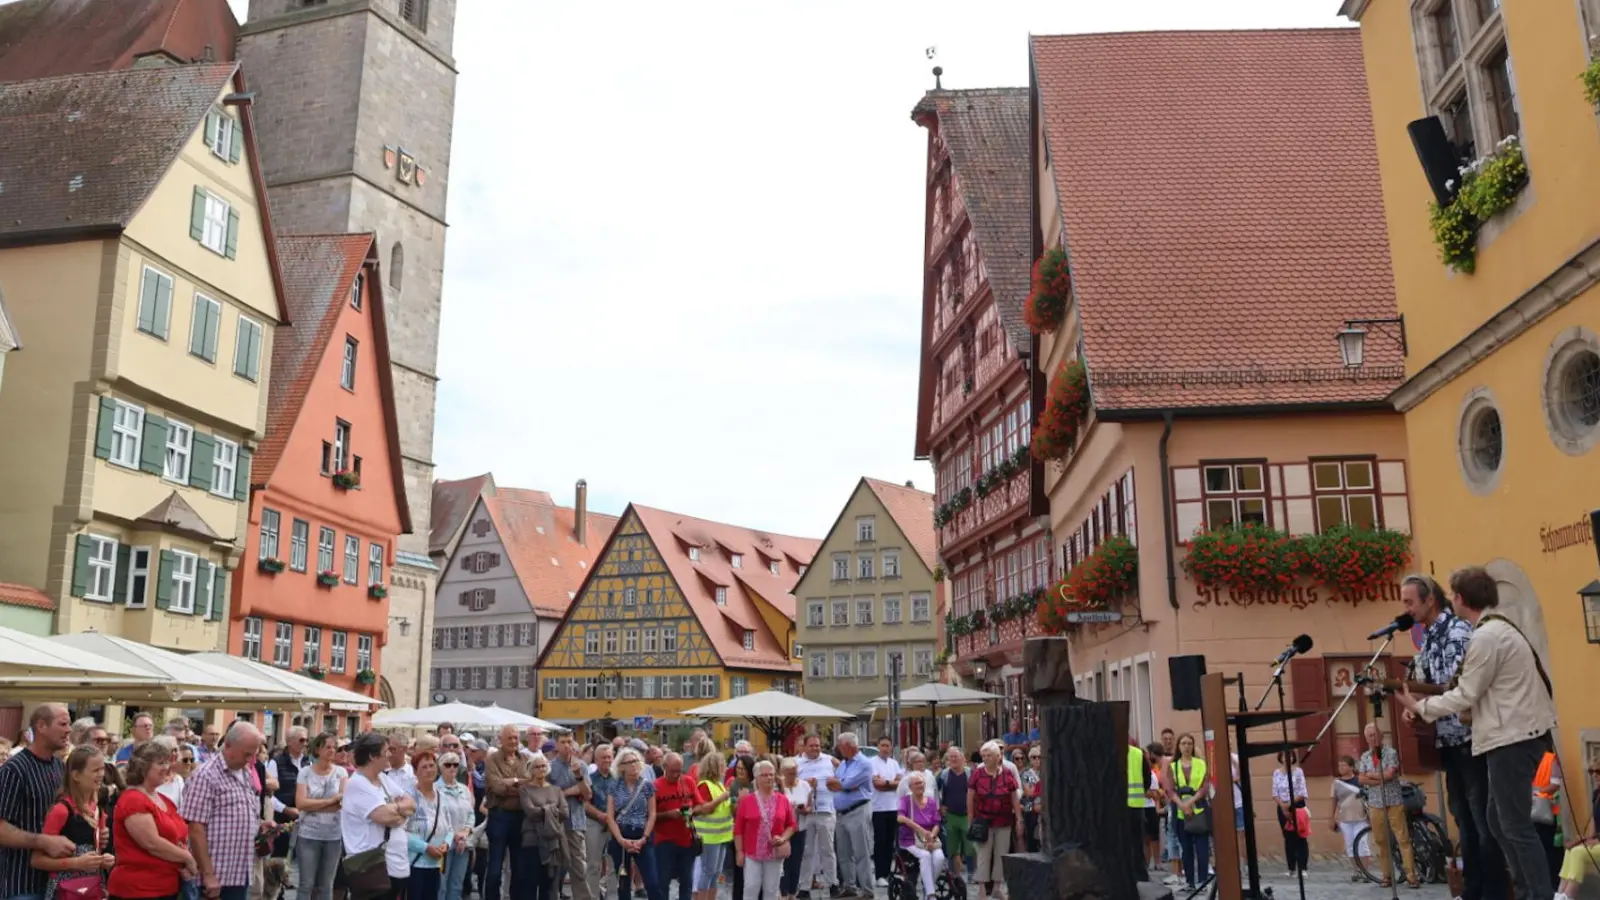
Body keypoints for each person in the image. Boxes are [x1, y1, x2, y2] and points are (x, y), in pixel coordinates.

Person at [1398, 566, 1559, 900]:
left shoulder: (1487, 636)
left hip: (1513, 738)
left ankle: (1537, 894)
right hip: (1509, 735)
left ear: (1459, 598)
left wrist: (1421, 707)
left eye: (1452, 595)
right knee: (1497, 820)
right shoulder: (1492, 629)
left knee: (1514, 824)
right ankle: (1526, 890)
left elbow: (1466, 692)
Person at [1400, 572, 1507, 900]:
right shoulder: (1429, 636)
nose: (1406, 609)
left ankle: (1493, 891)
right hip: (1446, 740)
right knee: (1463, 819)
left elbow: (1458, 686)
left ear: (1430, 600)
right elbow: (1427, 680)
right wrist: (1413, 706)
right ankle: (1472, 890)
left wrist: (1423, 704)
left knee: (1482, 821)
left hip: (1469, 738)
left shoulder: (1457, 632)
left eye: (1409, 602)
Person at [182, 722, 265, 900]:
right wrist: (208, 874)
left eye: (253, 754)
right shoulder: (206, 775)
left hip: (239, 872)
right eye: (247, 754)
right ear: (228, 746)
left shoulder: (244, 772)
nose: (250, 759)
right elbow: (195, 829)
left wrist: (262, 825)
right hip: (216, 876)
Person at [0, 704, 74, 900]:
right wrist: (43, 841)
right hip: (21, 884)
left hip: (55, 882)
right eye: (63, 724)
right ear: (41, 726)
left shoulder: (59, 766)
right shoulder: (14, 770)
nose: (69, 730)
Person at [113, 741, 196, 900]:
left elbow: (177, 836)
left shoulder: (163, 799)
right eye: (161, 763)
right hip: (139, 889)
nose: (167, 767)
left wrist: (182, 858)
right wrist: (186, 858)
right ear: (143, 767)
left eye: (167, 762)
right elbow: (152, 843)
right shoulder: (133, 800)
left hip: (166, 886)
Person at [33, 746, 114, 900]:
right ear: (76, 775)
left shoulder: (97, 808)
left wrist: (103, 860)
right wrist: (76, 863)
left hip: (93, 886)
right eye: (95, 770)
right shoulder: (61, 810)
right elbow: (37, 860)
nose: (101, 774)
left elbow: (96, 850)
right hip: (65, 890)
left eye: (102, 769)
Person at [341, 733, 414, 900]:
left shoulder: (382, 778)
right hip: (372, 868)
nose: (389, 754)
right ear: (372, 757)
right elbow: (385, 817)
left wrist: (395, 809)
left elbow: (411, 803)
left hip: (393, 866)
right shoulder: (358, 784)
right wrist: (399, 812)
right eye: (386, 751)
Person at [1358, 723, 1417, 888]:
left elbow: (1390, 774)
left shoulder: (1391, 753)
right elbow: (1361, 779)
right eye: (1369, 736)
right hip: (1375, 802)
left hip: (1393, 801)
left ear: (1381, 736)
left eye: (1375, 734)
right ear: (1366, 739)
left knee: (1402, 839)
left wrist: (1370, 775)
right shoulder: (1365, 757)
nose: (1373, 738)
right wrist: (1378, 778)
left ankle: (1411, 876)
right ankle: (1387, 875)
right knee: (1381, 841)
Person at [733, 760, 795, 900]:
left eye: (771, 774)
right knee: (751, 887)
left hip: (774, 852)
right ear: (756, 778)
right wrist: (739, 851)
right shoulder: (747, 801)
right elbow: (738, 829)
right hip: (752, 853)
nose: (769, 778)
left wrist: (783, 838)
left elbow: (791, 825)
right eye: (765, 775)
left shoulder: (783, 800)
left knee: (771, 890)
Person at [295, 733, 347, 900]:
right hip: (309, 834)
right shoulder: (305, 772)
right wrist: (331, 801)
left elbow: (342, 803)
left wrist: (313, 804)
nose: (332, 750)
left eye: (334, 747)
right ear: (318, 749)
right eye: (328, 747)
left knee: (326, 885)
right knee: (306, 884)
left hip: (333, 835)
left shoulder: (341, 772)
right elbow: (301, 803)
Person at [968, 741, 1020, 900]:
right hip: (983, 821)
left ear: (998, 757)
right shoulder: (978, 773)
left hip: (1004, 820)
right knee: (983, 855)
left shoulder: (1007, 773)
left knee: (1001, 854)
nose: (985, 758)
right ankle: (982, 890)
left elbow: (1014, 797)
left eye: (989, 755)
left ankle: (997, 887)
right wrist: (971, 819)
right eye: (983, 755)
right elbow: (970, 797)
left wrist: (1019, 819)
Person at [604, 748, 659, 900]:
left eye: (635, 761)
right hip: (621, 834)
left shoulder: (647, 786)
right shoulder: (614, 786)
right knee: (623, 883)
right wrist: (621, 840)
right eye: (628, 762)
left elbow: (652, 814)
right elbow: (610, 817)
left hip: (642, 835)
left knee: (653, 882)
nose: (633, 765)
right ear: (621, 766)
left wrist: (644, 838)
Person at [484, 725, 529, 900]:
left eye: (515, 737)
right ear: (500, 739)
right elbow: (496, 787)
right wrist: (519, 782)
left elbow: (531, 785)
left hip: (521, 817)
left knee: (520, 869)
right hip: (499, 816)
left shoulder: (525, 759)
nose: (513, 741)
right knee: (495, 868)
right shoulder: (492, 759)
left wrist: (510, 783)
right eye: (509, 737)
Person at [826, 733, 873, 899]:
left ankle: (867, 889)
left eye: (840, 745)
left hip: (857, 810)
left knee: (861, 852)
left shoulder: (864, 763)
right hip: (841, 813)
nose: (838, 749)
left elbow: (847, 784)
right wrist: (842, 785)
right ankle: (849, 886)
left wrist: (842, 784)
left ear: (848, 745)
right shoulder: (843, 764)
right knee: (844, 853)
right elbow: (831, 783)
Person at [793, 734, 835, 900]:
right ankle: (804, 886)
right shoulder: (797, 763)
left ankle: (832, 883)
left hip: (826, 809)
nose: (815, 748)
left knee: (828, 850)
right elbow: (792, 784)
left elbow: (839, 779)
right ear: (804, 747)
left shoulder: (829, 760)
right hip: (806, 812)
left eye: (817, 745)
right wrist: (806, 785)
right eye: (811, 746)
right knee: (806, 851)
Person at [1168, 733, 1211, 891]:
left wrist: (1191, 802)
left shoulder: (1201, 764)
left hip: (1199, 810)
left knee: (1202, 849)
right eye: (1183, 743)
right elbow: (1170, 790)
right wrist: (1182, 805)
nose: (1186, 746)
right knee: (1186, 850)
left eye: (1189, 743)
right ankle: (1190, 882)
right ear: (1179, 746)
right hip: (1181, 813)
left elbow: (1205, 787)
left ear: (1193, 746)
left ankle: (1203, 881)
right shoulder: (1173, 766)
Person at [652, 753, 695, 900]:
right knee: (663, 882)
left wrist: (692, 811)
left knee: (687, 881)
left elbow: (700, 805)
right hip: (663, 840)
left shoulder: (688, 782)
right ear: (664, 767)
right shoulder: (655, 786)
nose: (677, 775)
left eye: (679, 771)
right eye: (673, 771)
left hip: (686, 839)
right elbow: (649, 816)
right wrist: (668, 815)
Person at [1555, 761, 1600, 899]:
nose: (1595, 775)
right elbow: (1594, 819)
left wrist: (1597, 840)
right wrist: (1587, 838)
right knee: (1571, 850)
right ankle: (1560, 893)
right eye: (1592, 772)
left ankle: (1569, 894)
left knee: (1578, 853)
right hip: (1597, 841)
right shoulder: (1597, 794)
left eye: (1599, 772)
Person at [897, 771, 945, 900]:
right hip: (911, 839)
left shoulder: (931, 802)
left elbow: (937, 822)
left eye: (921, 783)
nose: (920, 785)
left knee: (939, 857)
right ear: (910, 787)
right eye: (916, 783)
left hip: (929, 839)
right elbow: (900, 818)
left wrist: (932, 836)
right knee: (925, 856)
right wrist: (921, 830)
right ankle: (931, 895)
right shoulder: (905, 801)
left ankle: (927, 886)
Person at [689, 751, 730, 900]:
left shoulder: (719, 785)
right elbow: (704, 809)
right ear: (714, 767)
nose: (725, 767)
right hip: (709, 837)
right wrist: (722, 798)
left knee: (716, 873)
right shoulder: (705, 785)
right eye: (722, 765)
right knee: (707, 871)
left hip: (721, 836)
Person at [436, 751, 473, 900]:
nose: (452, 768)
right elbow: (438, 816)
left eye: (455, 765)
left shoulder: (464, 789)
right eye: (448, 765)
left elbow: (471, 813)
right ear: (441, 767)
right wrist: (454, 835)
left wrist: (466, 832)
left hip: (463, 844)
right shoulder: (435, 789)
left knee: (457, 885)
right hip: (443, 844)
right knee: (441, 885)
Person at [869, 737, 903, 887]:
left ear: (891, 747)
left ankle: (887, 873)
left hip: (893, 807)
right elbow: (877, 785)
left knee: (890, 842)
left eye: (887, 746)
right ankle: (879, 874)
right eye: (882, 745)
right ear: (878, 746)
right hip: (878, 807)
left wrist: (887, 783)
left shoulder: (894, 763)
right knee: (880, 841)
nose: (885, 748)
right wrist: (891, 784)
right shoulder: (872, 762)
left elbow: (900, 783)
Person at [585, 745, 618, 900]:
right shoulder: (589, 779)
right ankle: (593, 896)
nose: (607, 760)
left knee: (614, 863)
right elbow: (584, 804)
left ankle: (612, 896)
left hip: (615, 823)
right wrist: (600, 815)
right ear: (596, 760)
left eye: (609, 757)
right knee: (593, 863)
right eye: (603, 757)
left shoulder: (618, 779)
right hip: (594, 822)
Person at [1270, 748, 1309, 878]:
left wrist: (1290, 804)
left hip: (1297, 805)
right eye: (1284, 756)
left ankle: (1303, 868)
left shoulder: (1298, 772)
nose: (1287, 759)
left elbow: (1302, 792)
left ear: (1293, 758)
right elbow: (1275, 793)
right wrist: (1282, 806)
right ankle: (1291, 868)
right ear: (1280, 758)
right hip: (1282, 806)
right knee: (1288, 838)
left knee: (1300, 837)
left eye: (1290, 756)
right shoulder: (1276, 773)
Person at [1330, 755, 1369, 882]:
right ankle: (1356, 870)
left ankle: (1365, 871)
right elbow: (1334, 800)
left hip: (1361, 817)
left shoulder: (1360, 781)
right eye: (1339, 765)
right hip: (1345, 818)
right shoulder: (1336, 783)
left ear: (1351, 767)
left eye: (1344, 765)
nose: (1341, 767)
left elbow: (1367, 797)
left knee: (1362, 844)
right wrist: (1332, 817)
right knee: (1350, 845)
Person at [776, 758, 811, 900]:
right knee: (784, 862)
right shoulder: (778, 787)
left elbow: (810, 806)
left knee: (796, 862)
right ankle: (783, 893)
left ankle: (792, 893)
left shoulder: (804, 785)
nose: (793, 776)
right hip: (783, 830)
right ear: (783, 772)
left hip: (800, 827)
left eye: (795, 773)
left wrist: (805, 810)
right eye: (790, 773)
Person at [936, 746, 972, 880]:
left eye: (956, 757)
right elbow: (935, 792)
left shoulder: (970, 773)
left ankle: (972, 873)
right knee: (952, 846)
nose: (953, 759)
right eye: (950, 757)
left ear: (963, 758)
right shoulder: (943, 774)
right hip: (950, 815)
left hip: (967, 815)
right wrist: (940, 806)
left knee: (971, 846)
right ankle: (955, 875)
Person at [1019, 748, 1041, 855]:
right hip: (1030, 805)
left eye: (1039, 757)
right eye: (1034, 757)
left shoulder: (1046, 772)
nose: (1037, 759)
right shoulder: (1027, 774)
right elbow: (1029, 792)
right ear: (1030, 759)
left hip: (1043, 806)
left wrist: (1037, 788)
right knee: (1031, 834)